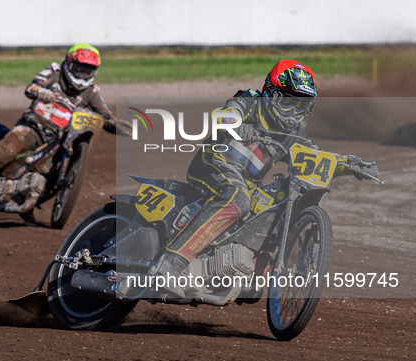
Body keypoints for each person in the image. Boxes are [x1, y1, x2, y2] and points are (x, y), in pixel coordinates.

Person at [149, 59, 377, 297]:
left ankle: (247, 269)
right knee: (237, 198)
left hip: (246, 182)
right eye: (287, 102)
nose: (292, 113)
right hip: (214, 164)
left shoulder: (294, 134)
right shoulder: (251, 101)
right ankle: (169, 264)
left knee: (273, 204)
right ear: (270, 94)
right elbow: (225, 113)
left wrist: (348, 164)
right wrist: (236, 125)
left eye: (301, 106)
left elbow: (313, 157)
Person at [0, 43, 127, 219]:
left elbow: (105, 116)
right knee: (5, 151)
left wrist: (118, 125)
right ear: (69, 63)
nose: (83, 74)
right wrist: (41, 91)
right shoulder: (55, 72)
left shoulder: (92, 92)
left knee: (57, 173)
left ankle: (27, 199)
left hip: (60, 140)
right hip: (34, 127)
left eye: (88, 70)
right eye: (79, 68)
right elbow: (32, 87)